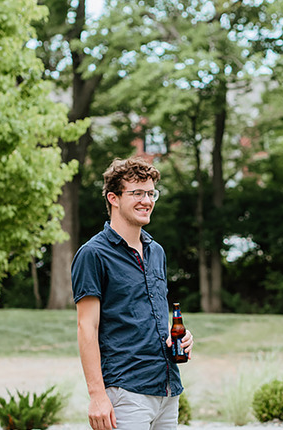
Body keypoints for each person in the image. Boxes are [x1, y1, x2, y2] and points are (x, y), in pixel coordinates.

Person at [72, 156, 193, 430]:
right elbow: (86, 327)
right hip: (125, 392)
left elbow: (154, 314)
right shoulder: (93, 254)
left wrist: (182, 338)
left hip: (167, 389)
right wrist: (97, 396)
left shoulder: (156, 251)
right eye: (137, 193)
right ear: (113, 198)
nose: (147, 201)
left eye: (151, 193)